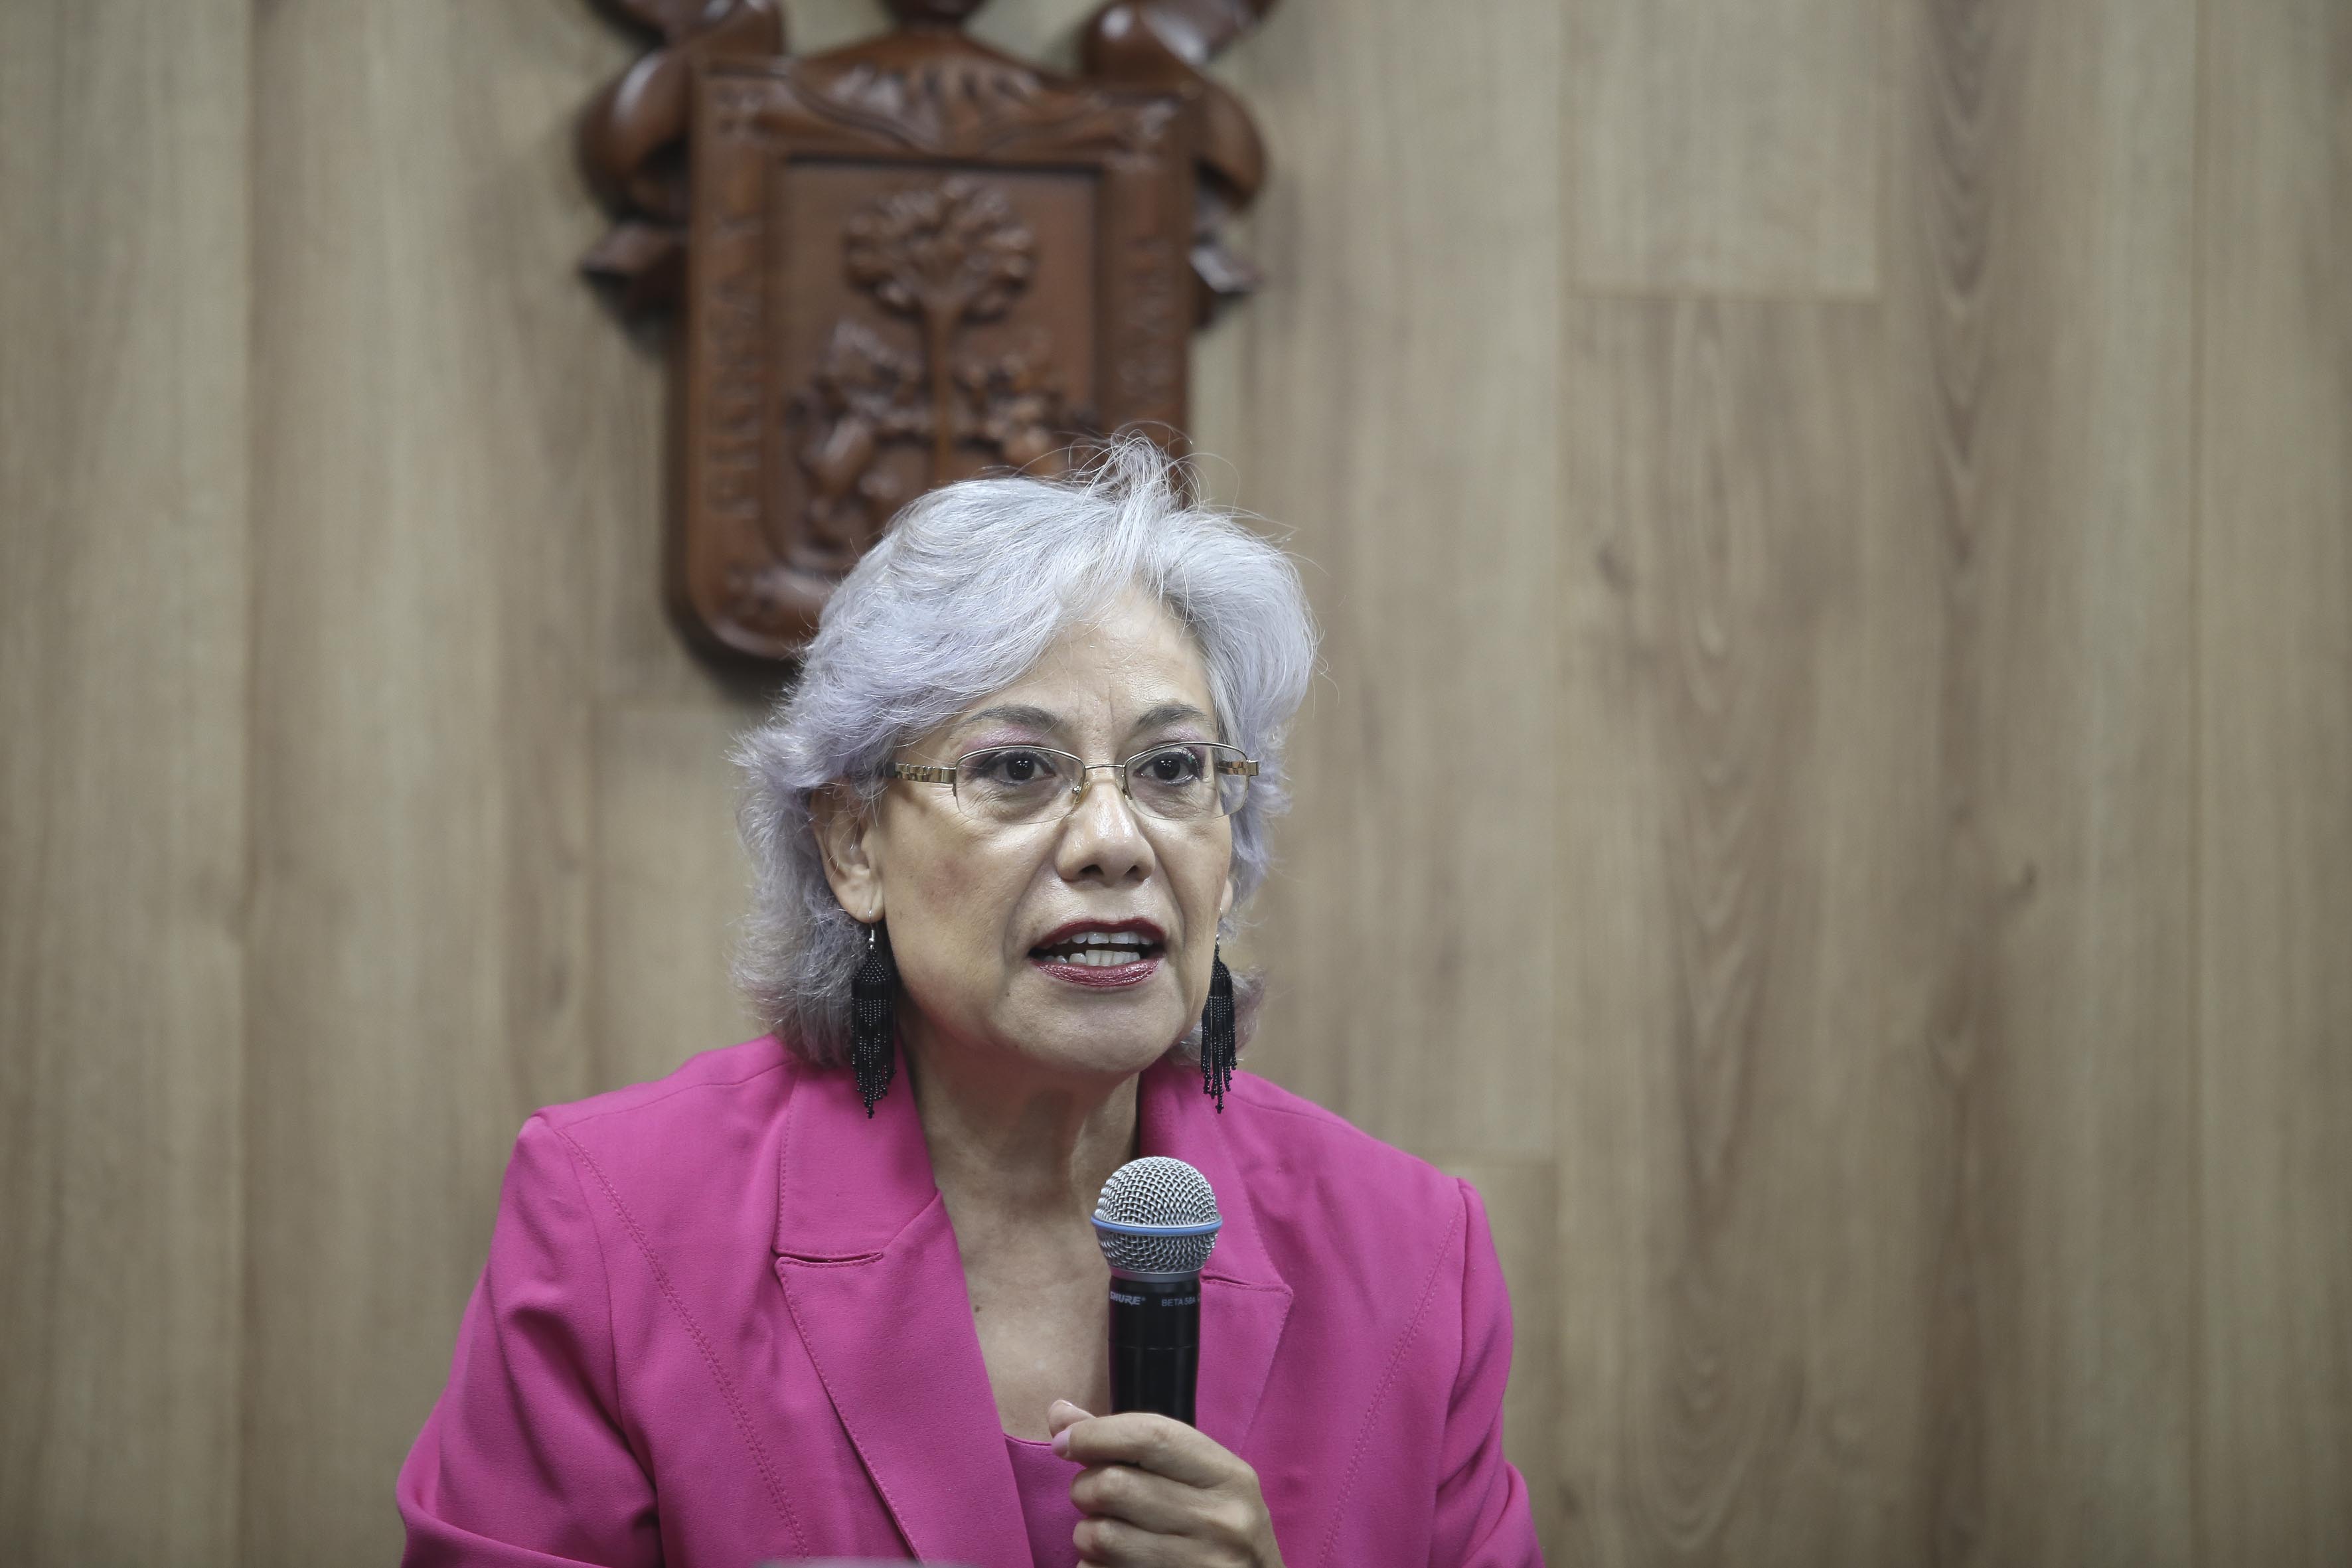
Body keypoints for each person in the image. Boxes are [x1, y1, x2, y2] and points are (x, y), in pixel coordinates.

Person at [396, 443, 1544, 1566]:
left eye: (1172, 769)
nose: (1113, 841)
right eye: (1016, 769)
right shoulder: (617, 1223)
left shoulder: (1411, 1256)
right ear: (854, 844)